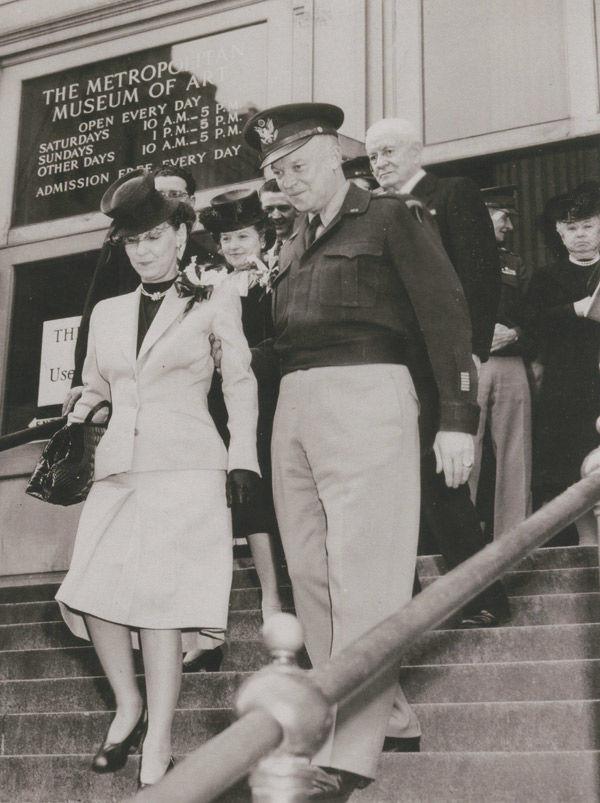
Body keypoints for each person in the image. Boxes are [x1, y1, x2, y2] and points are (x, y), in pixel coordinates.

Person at [243, 102, 479, 798]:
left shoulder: (391, 217)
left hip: (369, 393)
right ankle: (386, 712)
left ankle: (345, 754)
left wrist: (457, 417)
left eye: (298, 166)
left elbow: (447, 314)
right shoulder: (290, 240)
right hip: (296, 404)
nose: (288, 182)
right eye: (278, 174)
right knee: (312, 574)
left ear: (333, 155)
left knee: (366, 574)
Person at [55, 172, 260, 789]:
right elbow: (97, 386)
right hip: (119, 466)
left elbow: (239, 381)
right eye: (131, 241)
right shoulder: (108, 313)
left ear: (179, 235)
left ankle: (160, 738)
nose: (142, 251)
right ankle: (129, 704)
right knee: (89, 587)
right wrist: (85, 405)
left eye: (152, 237)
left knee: (161, 602)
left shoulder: (214, 297)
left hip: (187, 464)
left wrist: (243, 457)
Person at [365, 117, 509, 628]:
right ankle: (403, 604)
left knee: (445, 480)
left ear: (417, 151)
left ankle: (485, 597)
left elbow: (479, 273)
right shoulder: (373, 209)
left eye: (388, 151)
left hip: (442, 362)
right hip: (392, 364)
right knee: (397, 480)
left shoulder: (451, 194)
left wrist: (470, 351)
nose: (379, 163)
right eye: (373, 155)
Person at [198, 189, 283, 625]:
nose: (233, 245)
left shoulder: (276, 280)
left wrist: (241, 357)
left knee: (273, 492)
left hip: (272, 398)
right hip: (223, 403)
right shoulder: (210, 287)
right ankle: (269, 596)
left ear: (262, 238)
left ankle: (282, 591)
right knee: (247, 499)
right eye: (226, 238)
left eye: (243, 236)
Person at [65, 165, 217, 407]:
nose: (166, 201)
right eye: (159, 195)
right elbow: (96, 310)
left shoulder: (211, 262)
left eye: (175, 195)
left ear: (192, 201)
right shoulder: (124, 252)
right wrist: (81, 382)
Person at [529, 185, 600, 544]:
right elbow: (530, 324)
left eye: (588, 226)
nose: (581, 235)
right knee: (570, 470)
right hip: (567, 389)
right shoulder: (546, 278)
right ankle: (586, 547)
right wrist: (576, 309)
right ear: (559, 232)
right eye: (571, 228)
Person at [468, 186, 534, 537]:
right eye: (503, 217)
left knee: (516, 451)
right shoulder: (452, 256)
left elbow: (534, 313)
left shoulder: (515, 263)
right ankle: (461, 539)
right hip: (469, 364)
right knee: (464, 451)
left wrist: (517, 333)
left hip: (510, 362)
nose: (509, 226)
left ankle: (515, 540)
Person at [258, 178, 298, 267]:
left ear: (297, 209)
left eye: (283, 208)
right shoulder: (258, 248)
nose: (276, 216)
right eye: (268, 209)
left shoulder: (305, 246)